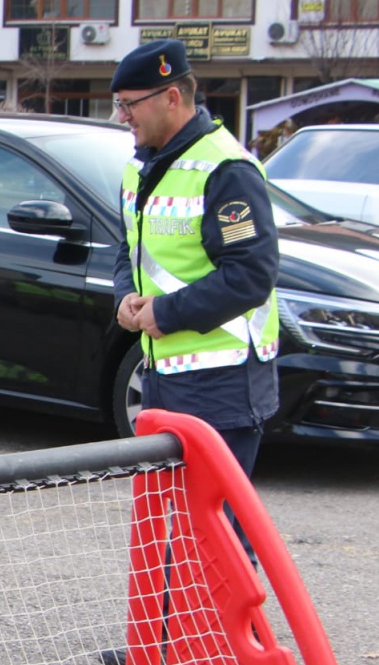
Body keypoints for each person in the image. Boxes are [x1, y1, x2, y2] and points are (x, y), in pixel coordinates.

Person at [111, 39, 279, 479]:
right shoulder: (141, 166)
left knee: (218, 535)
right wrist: (125, 296)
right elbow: (128, 247)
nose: (122, 116)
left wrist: (163, 312)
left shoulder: (226, 170)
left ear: (171, 97)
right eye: (119, 104)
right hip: (164, 377)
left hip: (223, 384)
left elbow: (249, 276)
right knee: (180, 531)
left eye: (130, 104)